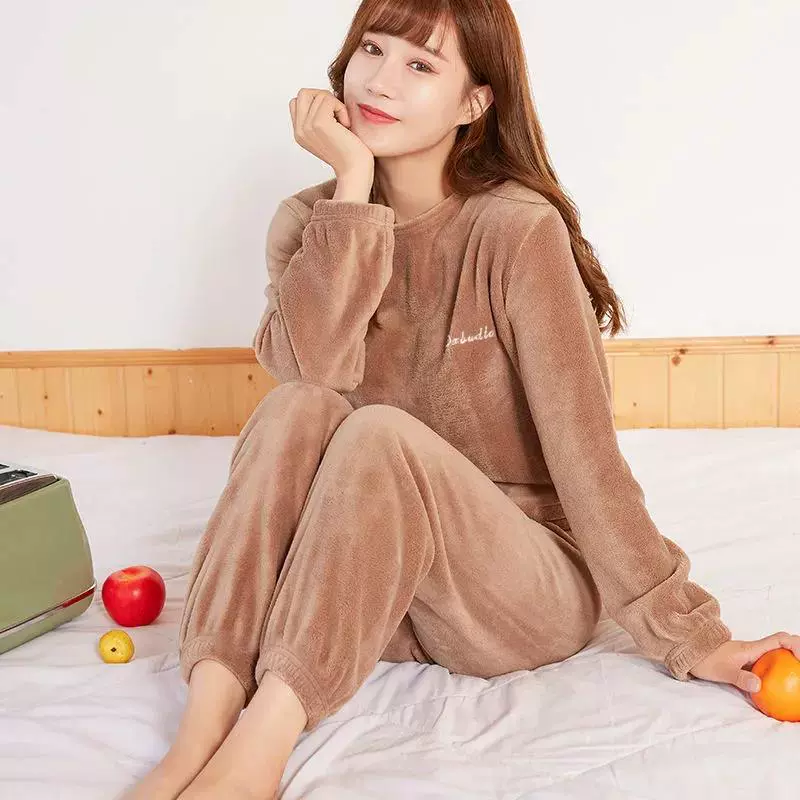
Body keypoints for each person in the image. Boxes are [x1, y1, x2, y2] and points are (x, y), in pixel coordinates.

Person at [123, 1, 800, 798]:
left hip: (522, 586)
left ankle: (261, 748)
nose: (380, 80)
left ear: (474, 103)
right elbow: (313, 371)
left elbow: (587, 460)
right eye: (371, 50)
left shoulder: (516, 231)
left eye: (420, 64)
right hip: (381, 590)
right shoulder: (312, 222)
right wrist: (352, 192)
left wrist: (693, 636)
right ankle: (200, 729)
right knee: (294, 410)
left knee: (376, 431)